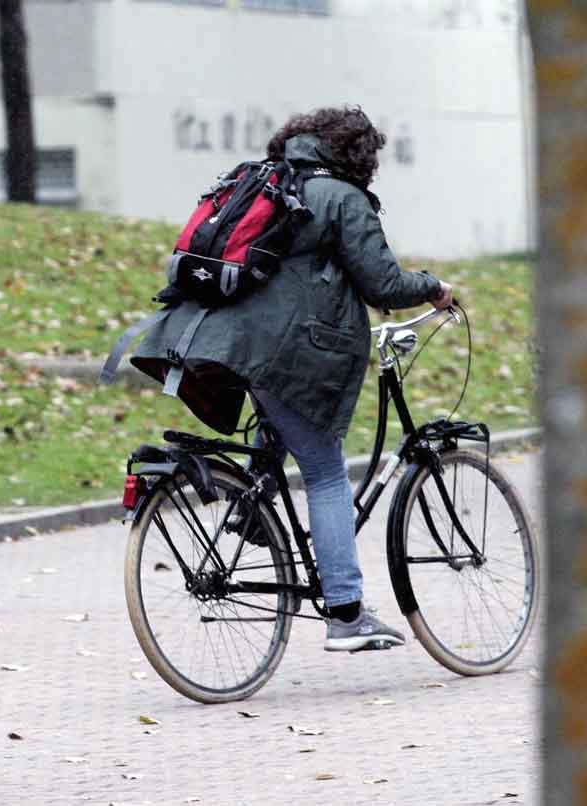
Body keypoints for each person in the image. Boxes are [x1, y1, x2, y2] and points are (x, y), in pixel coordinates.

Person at [131, 105, 453, 652]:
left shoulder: (264, 181)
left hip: (225, 345)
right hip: (288, 353)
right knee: (326, 474)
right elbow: (382, 284)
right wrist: (432, 287)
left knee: (278, 436)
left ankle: (254, 514)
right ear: (358, 155)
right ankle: (347, 615)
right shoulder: (342, 198)